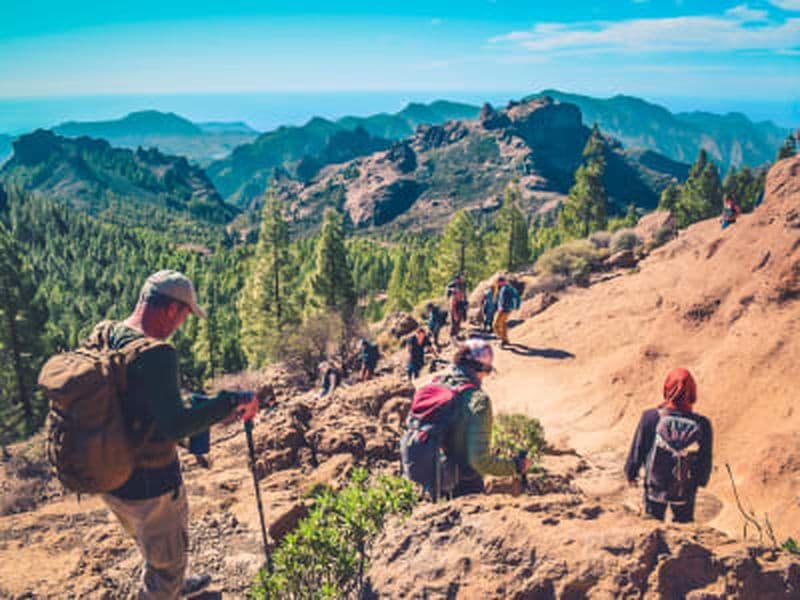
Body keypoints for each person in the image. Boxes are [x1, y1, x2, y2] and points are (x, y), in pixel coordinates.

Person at [101, 270, 260, 599]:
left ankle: (171, 579)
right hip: (150, 485)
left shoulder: (109, 334)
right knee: (166, 561)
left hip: (112, 477)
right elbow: (176, 427)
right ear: (172, 309)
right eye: (185, 315)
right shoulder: (157, 354)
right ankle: (167, 585)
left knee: (151, 543)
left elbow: (138, 403)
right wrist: (229, 402)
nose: (181, 325)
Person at [401, 339, 531, 499]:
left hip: (431, 476)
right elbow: (479, 461)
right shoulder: (478, 400)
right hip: (464, 486)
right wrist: (515, 466)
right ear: (481, 368)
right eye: (488, 371)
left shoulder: (434, 385)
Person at [624, 368, 713, 523]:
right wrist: (699, 482)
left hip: (655, 487)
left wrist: (631, 473)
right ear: (692, 392)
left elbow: (638, 449)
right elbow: (705, 459)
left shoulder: (651, 417)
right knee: (684, 528)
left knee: (653, 525)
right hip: (684, 489)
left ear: (667, 388)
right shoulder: (702, 424)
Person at [493, 277, 521, 347]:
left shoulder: (507, 288)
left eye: (498, 282)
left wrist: (516, 306)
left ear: (502, 281)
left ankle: (503, 339)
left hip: (505, 309)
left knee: (495, 325)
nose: (497, 284)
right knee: (503, 324)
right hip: (504, 309)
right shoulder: (504, 288)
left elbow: (516, 297)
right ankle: (505, 340)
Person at [446, 274, 469, 340]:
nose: (460, 280)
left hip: (460, 302)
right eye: (458, 279)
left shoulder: (463, 284)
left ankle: (456, 334)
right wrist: (452, 290)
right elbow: (447, 288)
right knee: (454, 321)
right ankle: (453, 336)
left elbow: (464, 293)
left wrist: (465, 301)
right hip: (454, 303)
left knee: (459, 318)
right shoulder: (452, 284)